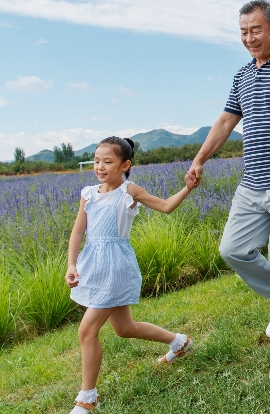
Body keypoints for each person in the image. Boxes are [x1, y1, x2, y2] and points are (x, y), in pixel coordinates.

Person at [185, 0, 270, 374]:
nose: (249, 38)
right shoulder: (242, 75)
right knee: (232, 249)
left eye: (256, 30)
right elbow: (227, 121)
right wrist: (199, 159)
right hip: (252, 184)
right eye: (243, 32)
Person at [66, 137, 196, 414]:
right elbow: (78, 231)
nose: (100, 167)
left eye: (107, 161)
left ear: (125, 165)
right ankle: (180, 342)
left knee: (87, 330)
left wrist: (187, 188)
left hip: (116, 268)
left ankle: (87, 398)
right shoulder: (88, 193)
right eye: (96, 161)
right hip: (93, 266)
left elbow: (165, 206)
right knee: (124, 329)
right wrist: (71, 265)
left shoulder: (128, 191)